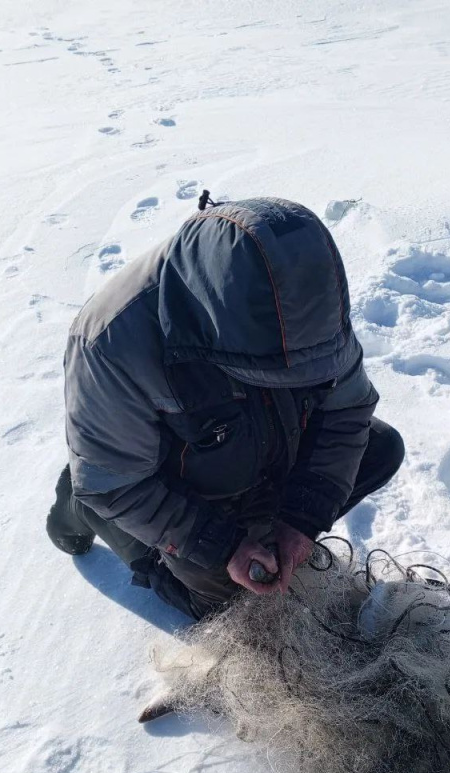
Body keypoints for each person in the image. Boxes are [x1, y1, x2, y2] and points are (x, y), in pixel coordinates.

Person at [46, 195, 404, 620]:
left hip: (257, 444)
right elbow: (117, 486)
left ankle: (255, 518)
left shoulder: (306, 296)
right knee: (225, 604)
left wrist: (301, 519)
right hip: (166, 477)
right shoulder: (110, 343)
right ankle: (84, 506)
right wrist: (223, 546)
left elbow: (348, 410)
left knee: (381, 449)